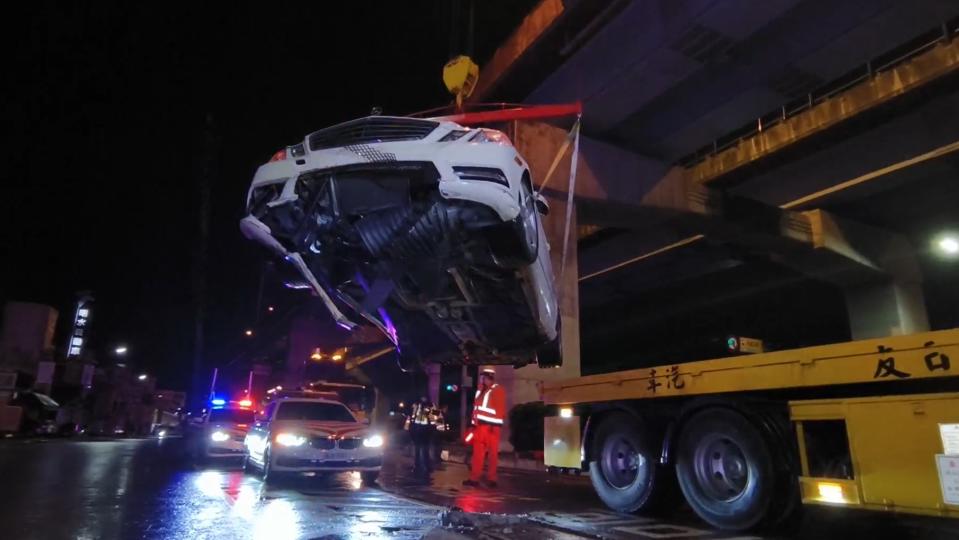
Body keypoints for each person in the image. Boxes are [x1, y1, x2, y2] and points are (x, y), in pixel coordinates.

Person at [463, 367, 505, 488]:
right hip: (480, 427)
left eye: (483, 377)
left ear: (489, 378)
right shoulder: (480, 391)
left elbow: (499, 411)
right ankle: (474, 478)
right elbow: (476, 410)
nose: (481, 380)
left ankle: (492, 479)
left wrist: (494, 425)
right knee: (478, 455)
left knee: (492, 455)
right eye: (481, 378)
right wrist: (472, 425)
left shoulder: (497, 390)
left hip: (492, 428)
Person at [407, 396, 437, 477]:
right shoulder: (416, 405)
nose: (424, 398)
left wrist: (434, 429)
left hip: (426, 430)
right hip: (417, 429)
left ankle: (426, 466)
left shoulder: (431, 405)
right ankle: (418, 466)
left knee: (425, 449)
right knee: (418, 449)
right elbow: (411, 416)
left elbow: (435, 418)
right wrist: (409, 428)